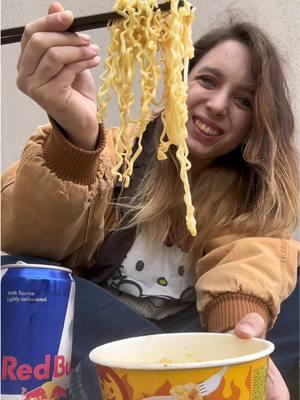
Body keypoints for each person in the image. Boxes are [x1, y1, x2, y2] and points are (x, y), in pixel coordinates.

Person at [1, 2, 299, 399]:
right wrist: (74, 143)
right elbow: (26, 238)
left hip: (190, 337)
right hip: (102, 333)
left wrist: (236, 340)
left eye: (244, 100)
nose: (217, 104)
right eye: (208, 80)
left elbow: (252, 258)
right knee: (19, 271)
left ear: (255, 122)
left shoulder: (254, 191)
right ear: (181, 80)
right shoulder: (113, 149)